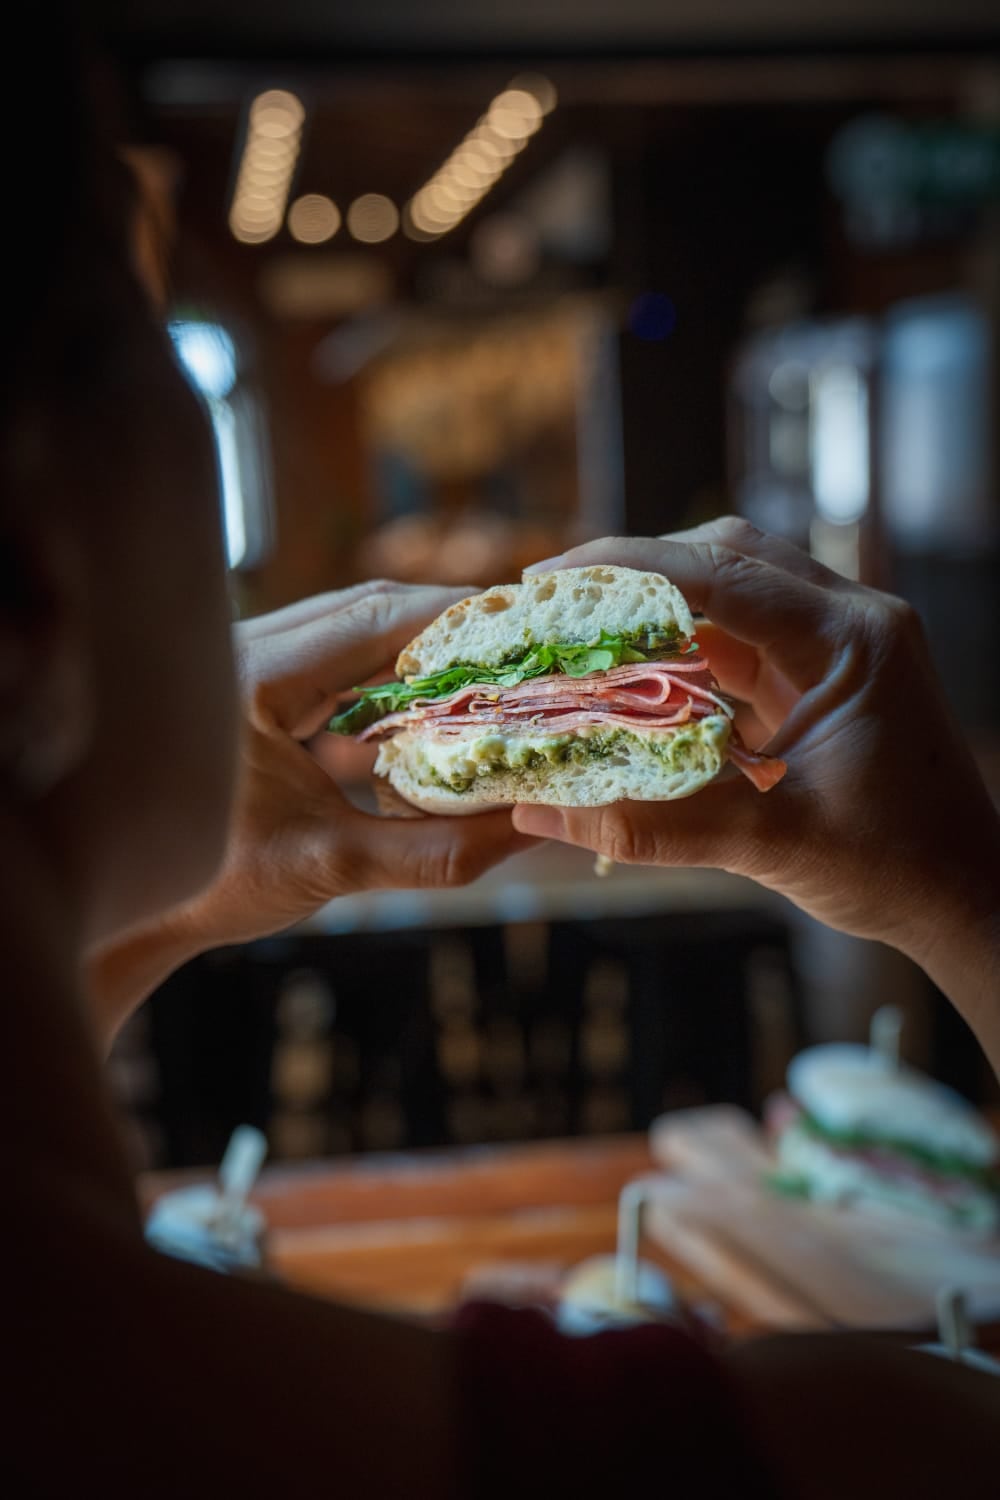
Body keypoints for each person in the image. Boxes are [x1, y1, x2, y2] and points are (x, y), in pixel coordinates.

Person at [5, 16, 1000, 1498]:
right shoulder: (802, 1453)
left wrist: (121, 922)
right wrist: (972, 897)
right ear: (28, 584)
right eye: (141, 310)